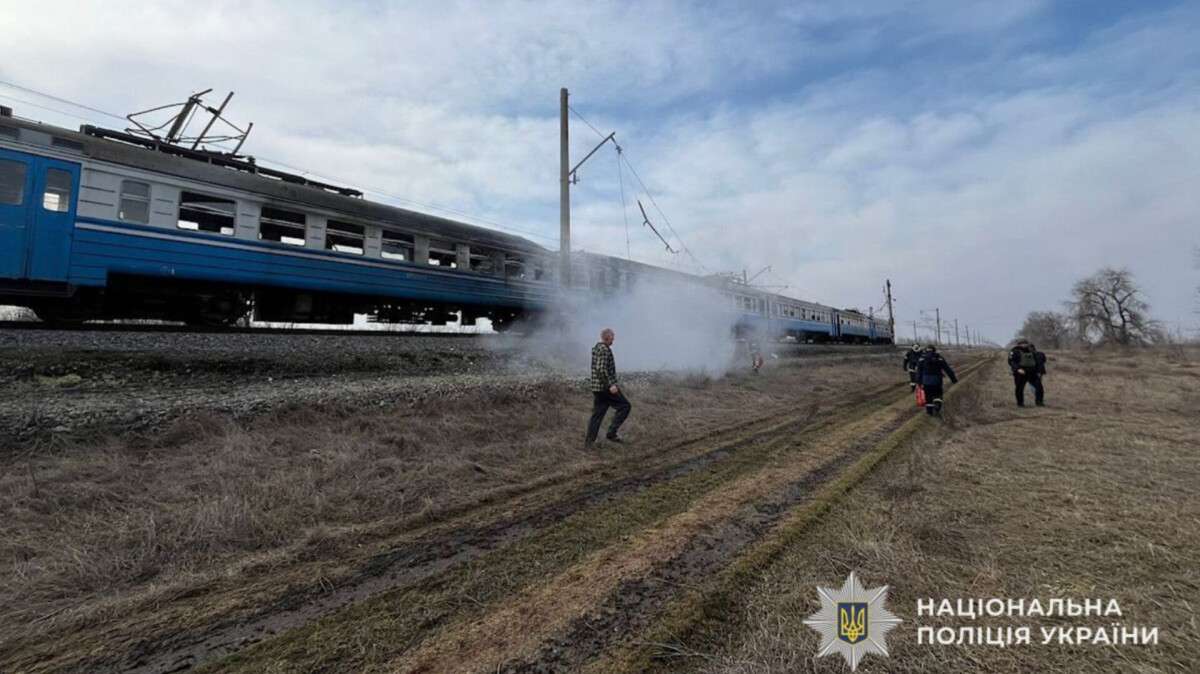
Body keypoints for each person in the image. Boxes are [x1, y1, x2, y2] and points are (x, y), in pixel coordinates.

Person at [585, 327, 632, 446]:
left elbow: (598, 369)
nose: (613, 339)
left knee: (597, 415)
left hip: (598, 388)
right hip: (605, 388)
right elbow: (601, 370)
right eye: (612, 337)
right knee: (625, 406)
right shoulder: (604, 349)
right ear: (607, 337)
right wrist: (610, 385)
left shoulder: (597, 348)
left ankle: (589, 443)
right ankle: (612, 433)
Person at [915, 344, 957, 416]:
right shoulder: (939, 358)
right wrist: (954, 379)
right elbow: (947, 369)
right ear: (934, 350)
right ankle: (937, 407)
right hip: (937, 381)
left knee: (928, 397)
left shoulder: (922, 358)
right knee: (938, 394)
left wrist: (919, 382)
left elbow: (919, 372)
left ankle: (930, 413)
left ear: (926, 350)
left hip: (926, 381)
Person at [1008, 338, 1046, 407]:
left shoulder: (1031, 350)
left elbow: (1037, 360)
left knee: (1039, 387)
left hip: (1032, 372)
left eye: (1025, 343)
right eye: (1022, 343)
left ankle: (1039, 402)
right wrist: (1018, 369)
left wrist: (1039, 371)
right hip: (1020, 372)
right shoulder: (1014, 351)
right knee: (1019, 388)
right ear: (1019, 344)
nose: (1024, 345)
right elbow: (1011, 361)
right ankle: (1020, 403)